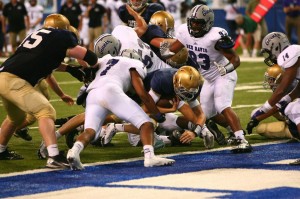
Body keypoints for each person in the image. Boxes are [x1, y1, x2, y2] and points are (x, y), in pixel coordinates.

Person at [0, 14, 98, 168]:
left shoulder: (36, 35)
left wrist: (69, 69)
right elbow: (86, 55)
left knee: (16, 118)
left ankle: (0, 149)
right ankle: (54, 156)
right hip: (15, 80)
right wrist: (94, 65)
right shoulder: (62, 35)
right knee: (46, 111)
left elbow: (44, 60)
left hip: (4, 76)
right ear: (65, 28)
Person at [67, 35, 175, 170]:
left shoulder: (107, 58)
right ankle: (149, 157)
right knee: (146, 124)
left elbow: (89, 65)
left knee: (91, 131)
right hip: (111, 91)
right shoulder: (135, 64)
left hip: (93, 93)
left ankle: (74, 152)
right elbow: (142, 94)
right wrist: (157, 114)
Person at [160, 4, 252, 153]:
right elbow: (171, 51)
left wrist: (226, 68)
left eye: (199, 23)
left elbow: (236, 59)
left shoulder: (215, 37)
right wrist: (161, 53)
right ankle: (231, 130)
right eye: (193, 22)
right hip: (208, 79)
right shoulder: (184, 32)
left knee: (222, 104)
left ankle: (242, 139)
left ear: (208, 23)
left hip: (223, 74)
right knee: (205, 114)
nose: (195, 26)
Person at [248, 31, 300, 165]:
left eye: (269, 51)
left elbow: (282, 89)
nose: (269, 56)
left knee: (295, 109)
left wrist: (264, 108)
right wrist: (259, 117)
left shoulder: (288, 54)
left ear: (276, 47)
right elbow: (296, 91)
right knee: (292, 107)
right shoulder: (295, 51)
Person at [247, 64, 299, 140]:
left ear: (280, 78)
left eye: (271, 79)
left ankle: (292, 132)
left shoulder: (290, 88)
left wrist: (257, 119)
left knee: (262, 129)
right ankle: (287, 123)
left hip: (296, 121)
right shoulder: (292, 85)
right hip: (292, 118)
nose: (269, 82)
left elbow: (277, 106)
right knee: (257, 113)